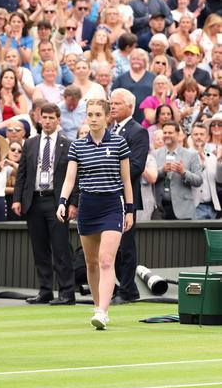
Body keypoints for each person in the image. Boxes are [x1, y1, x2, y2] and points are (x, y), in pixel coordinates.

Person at [56, 98, 134, 330]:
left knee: (106, 260)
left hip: (112, 204)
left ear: (107, 116)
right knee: (91, 263)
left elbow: (127, 180)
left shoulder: (119, 143)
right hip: (88, 206)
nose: (93, 118)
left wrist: (129, 210)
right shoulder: (77, 145)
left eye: (98, 114)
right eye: (90, 114)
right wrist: (62, 202)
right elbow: (70, 179)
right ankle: (98, 305)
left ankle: (103, 311)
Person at [13, 103, 76, 305]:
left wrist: (72, 203)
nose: (47, 121)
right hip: (34, 200)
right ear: (39, 119)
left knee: (60, 248)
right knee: (39, 249)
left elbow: (75, 177)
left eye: (51, 118)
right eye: (44, 117)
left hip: (57, 201)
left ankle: (66, 292)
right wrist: (17, 199)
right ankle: (45, 290)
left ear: (58, 120)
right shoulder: (30, 143)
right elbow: (22, 173)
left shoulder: (68, 144)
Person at [109, 88, 150, 304]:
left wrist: (107, 171)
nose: (112, 106)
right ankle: (126, 287)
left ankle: (126, 289)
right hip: (107, 197)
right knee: (111, 246)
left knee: (125, 246)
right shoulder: (109, 131)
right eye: (111, 103)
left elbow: (137, 166)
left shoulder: (138, 132)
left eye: (116, 103)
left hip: (126, 198)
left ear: (130, 107)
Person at [152, 121, 203, 220]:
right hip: (159, 208)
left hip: (183, 209)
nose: (167, 135)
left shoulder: (190, 155)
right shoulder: (155, 154)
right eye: (165, 132)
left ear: (178, 134)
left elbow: (199, 181)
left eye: (170, 133)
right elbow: (150, 179)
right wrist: (162, 171)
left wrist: (183, 172)